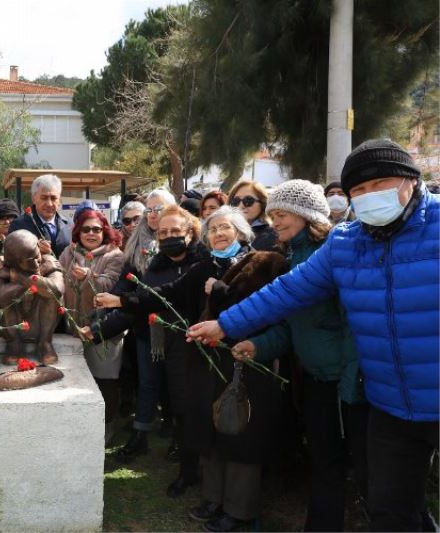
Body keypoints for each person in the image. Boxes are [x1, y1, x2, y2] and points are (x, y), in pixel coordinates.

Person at [188, 139, 439, 532]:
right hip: (392, 404)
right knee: (393, 512)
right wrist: (226, 324)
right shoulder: (345, 244)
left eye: (381, 184)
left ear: (411, 180)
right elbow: (286, 293)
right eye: (359, 189)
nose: (369, 196)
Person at [96, 205, 286, 532]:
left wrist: (221, 290)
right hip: (208, 361)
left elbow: (261, 310)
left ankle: (238, 509)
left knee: (240, 432)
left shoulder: (266, 263)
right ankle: (213, 497)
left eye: (225, 227)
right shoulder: (204, 267)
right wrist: (122, 301)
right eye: (213, 229)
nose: (219, 234)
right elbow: (167, 294)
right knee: (209, 428)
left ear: (241, 232)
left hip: (246, 359)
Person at [230, 179, 368, 531]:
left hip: (347, 384)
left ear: (308, 214)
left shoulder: (331, 258)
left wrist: (351, 383)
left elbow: (354, 327)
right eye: (272, 214)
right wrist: (259, 346)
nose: (275, 221)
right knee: (324, 462)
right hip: (318, 380)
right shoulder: (293, 258)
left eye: (282, 213)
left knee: (366, 469)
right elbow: (293, 327)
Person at [87, 205, 206, 498]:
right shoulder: (156, 265)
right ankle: (187, 470)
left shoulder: (203, 262)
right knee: (176, 405)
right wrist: (98, 332)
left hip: (200, 349)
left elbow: (161, 297)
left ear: (190, 233)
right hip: (164, 345)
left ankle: (199, 468)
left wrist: (121, 301)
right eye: (162, 232)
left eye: (175, 231)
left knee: (192, 408)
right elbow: (140, 306)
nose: (168, 237)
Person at [102, 187, 177, 461]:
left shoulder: (182, 239)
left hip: (176, 327)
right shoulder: (137, 241)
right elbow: (126, 279)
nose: (153, 215)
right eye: (149, 210)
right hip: (146, 327)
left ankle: (177, 432)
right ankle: (140, 435)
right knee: (147, 382)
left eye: (159, 209)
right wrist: (112, 300)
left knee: (176, 383)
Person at [59, 210, 124, 442]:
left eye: (96, 229)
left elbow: (111, 284)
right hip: (73, 328)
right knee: (76, 379)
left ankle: (106, 427)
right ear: (78, 231)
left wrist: (89, 275)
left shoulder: (114, 255)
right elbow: (59, 280)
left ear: (104, 231)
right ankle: (79, 424)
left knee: (104, 379)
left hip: (103, 330)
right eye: (86, 229)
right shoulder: (68, 252)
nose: (91, 233)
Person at [8, 173, 71, 257]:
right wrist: (35, 251)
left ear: (59, 200)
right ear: (33, 198)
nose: (49, 204)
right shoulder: (18, 226)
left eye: (53, 198)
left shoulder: (69, 226)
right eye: (44, 198)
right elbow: (12, 257)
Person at [228, 181, 278, 251]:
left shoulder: (270, 234)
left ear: (263, 203)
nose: (241, 206)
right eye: (236, 201)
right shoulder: (225, 231)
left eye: (248, 200)